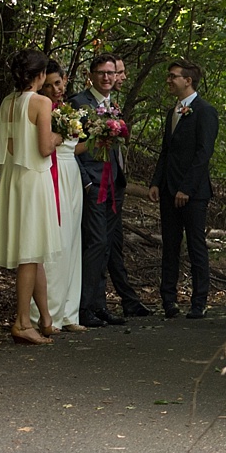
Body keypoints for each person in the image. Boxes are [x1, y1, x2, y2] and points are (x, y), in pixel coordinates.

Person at [69, 53, 152, 326]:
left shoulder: (112, 104)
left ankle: (99, 304)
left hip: (113, 183)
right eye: (101, 73)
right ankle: (83, 308)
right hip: (93, 183)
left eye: (110, 73)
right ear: (90, 75)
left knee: (105, 247)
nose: (107, 77)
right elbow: (70, 149)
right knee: (95, 244)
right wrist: (85, 181)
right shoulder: (80, 104)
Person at [0, 49, 62, 346]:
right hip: (33, 178)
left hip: (12, 178)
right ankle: (22, 322)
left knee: (34, 252)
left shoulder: (7, 102)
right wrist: (62, 135)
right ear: (40, 75)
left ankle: (44, 319)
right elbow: (45, 148)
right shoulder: (41, 102)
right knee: (30, 255)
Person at [149, 59, 219, 319]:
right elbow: (166, 151)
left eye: (173, 76)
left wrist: (187, 188)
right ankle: (168, 299)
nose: (169, 80)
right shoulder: (173, 112)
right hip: (168, 189)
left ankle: (199, 301)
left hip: (194, 192)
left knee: (196, 245)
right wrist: (156, 182)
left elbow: (204, 153)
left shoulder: (205, 111)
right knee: (170, 245)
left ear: (188, 80)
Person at [38, 63, 88, 333]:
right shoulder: (41, 109)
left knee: (71, 240)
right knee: (54, 242)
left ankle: (70, 312)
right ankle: (49, 313)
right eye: (50, 85)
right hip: (52, 174)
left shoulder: (67, 111)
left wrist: (100, 139)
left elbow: (73, 148)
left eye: (59, 83)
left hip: (71, 175)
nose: (57, 89)